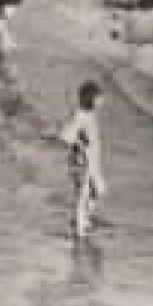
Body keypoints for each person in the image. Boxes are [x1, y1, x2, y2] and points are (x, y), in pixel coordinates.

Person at [59, 80, 107, 239]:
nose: (102, 101)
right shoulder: (81, 116)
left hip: (91, 161)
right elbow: (66, 137)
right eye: (99, 97)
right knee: (83, 193)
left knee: (98, 189)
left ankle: (84, 219)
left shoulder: (89, 114)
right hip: (82, 161)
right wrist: (80, 144)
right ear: (91, 98)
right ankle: (80, 229)